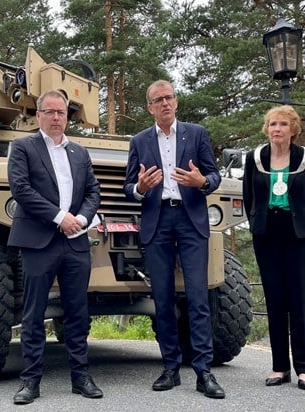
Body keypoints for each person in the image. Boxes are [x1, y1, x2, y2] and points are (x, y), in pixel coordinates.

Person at [123, 80, 225, 399]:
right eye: (158, 100)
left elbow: (214, 176)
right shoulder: (139, 141)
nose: (165, 103)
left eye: (169, 97)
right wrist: (140, 188)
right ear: (150, 108)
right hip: (158, 222)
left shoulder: (196, 134)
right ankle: (170, 367)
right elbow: (129, 187)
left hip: (190, 219)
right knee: (163, 299)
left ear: (176, 102)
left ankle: (203, 371)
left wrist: (201, 181)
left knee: (197, 297)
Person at [7, 90, 102, 405]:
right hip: (38, 241)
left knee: (77, 312)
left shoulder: (79, 152)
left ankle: (81, 377)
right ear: (38, 116)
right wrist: (61, 217)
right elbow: (21, 189)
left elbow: (93, 191)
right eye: (50, 112)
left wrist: (82, 219)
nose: (57, 117)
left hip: (75, 242)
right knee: (34, 314)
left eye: (61, 112)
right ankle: (30, 381)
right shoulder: (23, 147)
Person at [243, 105, 305, 391]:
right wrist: (257, 223)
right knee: (275, 299)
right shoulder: (255, 158)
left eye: (283, 124)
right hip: (267, 234)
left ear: (293, 129)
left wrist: (303, 224)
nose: (277, 129)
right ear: (267, 128)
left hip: (299, 235)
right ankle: (279, 367)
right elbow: (249, 196)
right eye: (273, 124)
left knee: (300, 300)